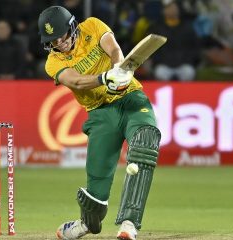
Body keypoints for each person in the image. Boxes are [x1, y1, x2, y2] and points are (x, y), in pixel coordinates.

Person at [38, 6, 161, 240]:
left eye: (62, 36)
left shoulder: (93, 25)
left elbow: (114, 48)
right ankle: (86, 224)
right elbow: (75, 82)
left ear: (72, 26)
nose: (59, 44)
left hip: (130, 98)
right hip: (100, 112)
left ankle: (129, 223)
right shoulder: (52, 62)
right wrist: (104, 78)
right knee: (95, 191)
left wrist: (119, 71)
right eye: (53, 41)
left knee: (146, 138)